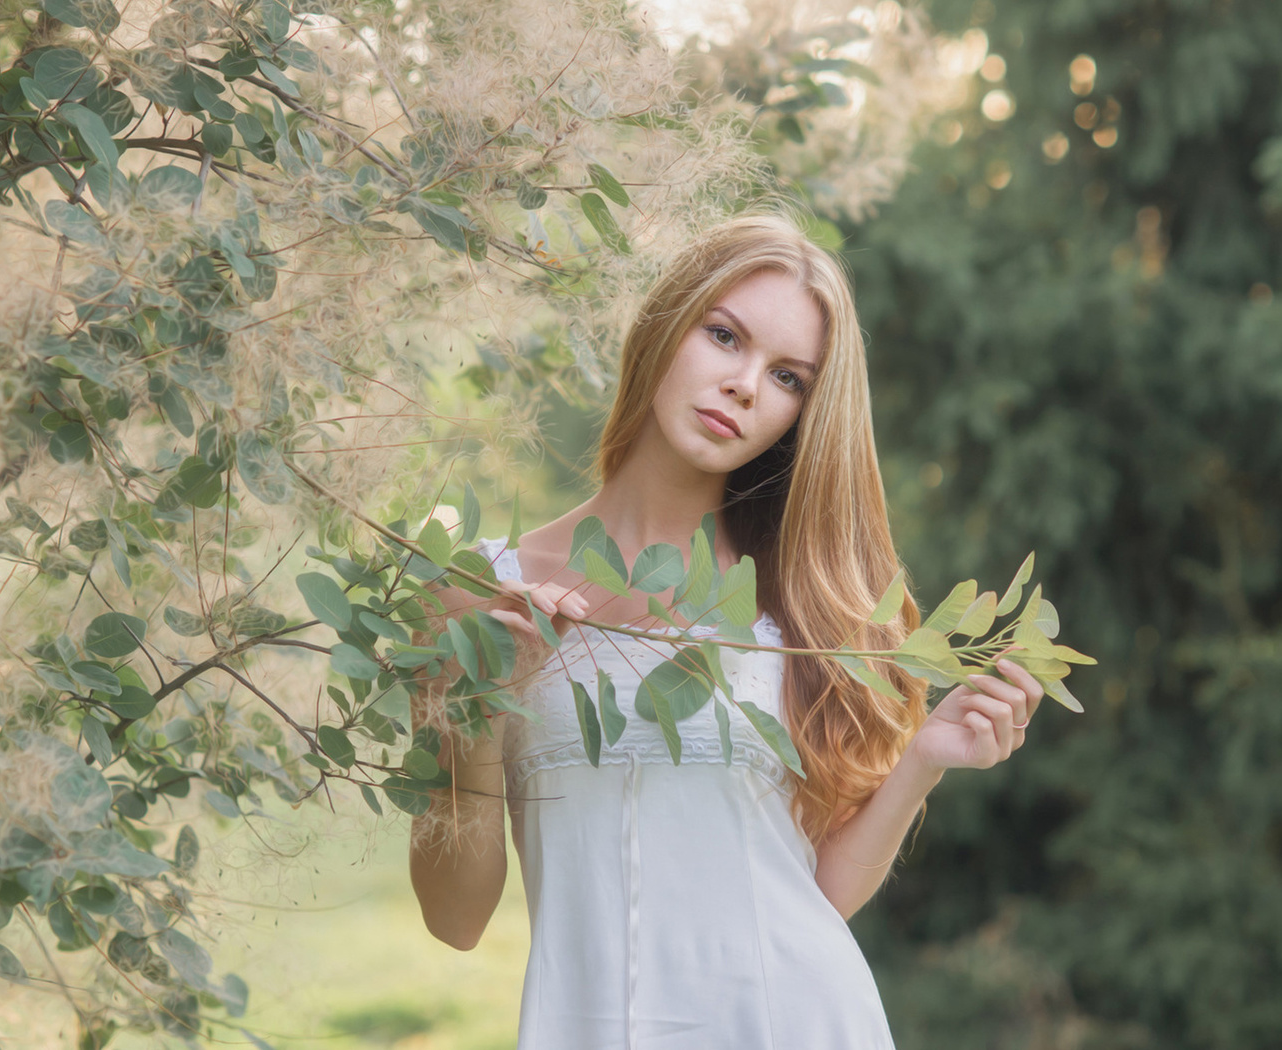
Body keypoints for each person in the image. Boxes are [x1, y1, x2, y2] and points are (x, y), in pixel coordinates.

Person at [409, 211, 1043, 1049]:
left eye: (788, 378)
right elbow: (455, 919)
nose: (746, 384)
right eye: (724, 336)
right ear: (666, 327)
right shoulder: (475, 593)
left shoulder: (803, 615)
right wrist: (483, 706)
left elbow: (813, 893)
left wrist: (922, 761)